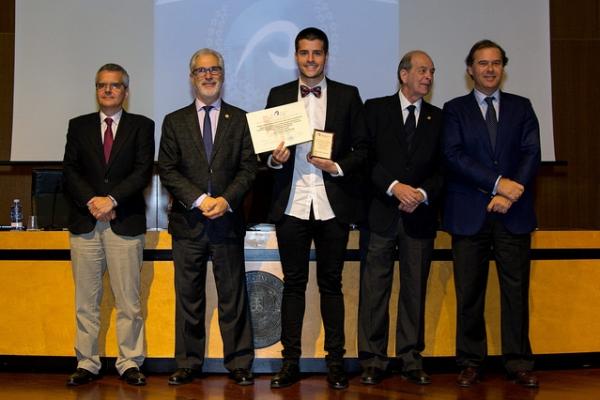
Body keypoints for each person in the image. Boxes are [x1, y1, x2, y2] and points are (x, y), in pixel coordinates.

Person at [265, 27, 368, 390]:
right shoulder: (278, 95)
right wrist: (275, 160)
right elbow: (266, 152)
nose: (311, 59)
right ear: (295, 56)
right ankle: (289, 362)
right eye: (305, 53)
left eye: (317, 53)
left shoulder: (347, 95)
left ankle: (335, 363)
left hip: (332, 204)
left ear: (326, 56)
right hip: (291, 204)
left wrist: (336, 166)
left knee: (331, 284)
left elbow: (363, 149)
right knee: (292, 285)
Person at [442, 39, 541, 388]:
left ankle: (518, 362)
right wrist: (499, 184)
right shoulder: (454, 109)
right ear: (470, 69)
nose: (489, 69)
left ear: (503, 68)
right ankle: (470, 361)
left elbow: (531, 154)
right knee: (470, 293)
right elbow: (453, 156)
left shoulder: (522, 107)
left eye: (496, 63)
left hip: (513, 213)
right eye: (482, 63)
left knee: (515, 292)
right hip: (469, 213)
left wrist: (509, 195)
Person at [158, 48, 256, 386]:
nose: (208, 75)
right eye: (201, 70)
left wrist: (226, 200)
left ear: (223, 75)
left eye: (214, 69)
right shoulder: (174, 121)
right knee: (189, 298)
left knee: (233, 297)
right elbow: (167, 170)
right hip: (189, 224)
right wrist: (200, 200)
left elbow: (248, 168)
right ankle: (188, 363)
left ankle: (240, 362)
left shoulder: (241, 119)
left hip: (227, 222)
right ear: (191, 77)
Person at [63, 63, 155, 386]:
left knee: (129, 301)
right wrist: (94, 202)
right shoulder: (79, 126)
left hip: (124, 222)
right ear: (96, 90)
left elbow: (142, 171)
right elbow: (70, 172)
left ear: (126, 92)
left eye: (115, 85)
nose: (108, 90)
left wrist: (111, 200)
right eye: (102, 85)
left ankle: (129, 362)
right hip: (86, 224)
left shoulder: (142, 126)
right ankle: (87, 362)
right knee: (85, 302)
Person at [357, 51, 443, 386]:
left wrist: (420, 194)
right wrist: (395, 188)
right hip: (381, 213)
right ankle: (373, 359)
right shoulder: (375, 109)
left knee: (413, 291)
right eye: (422, 70)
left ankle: (410, 358)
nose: (428, 77)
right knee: (374, 289)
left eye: (432, 72)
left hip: (419, 217)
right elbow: (365, 159)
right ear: (403, 74)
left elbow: (442, 170)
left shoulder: (439, 118)